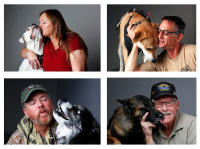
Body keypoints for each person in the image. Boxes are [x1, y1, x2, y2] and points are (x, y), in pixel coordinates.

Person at [20, 9, 87, 71]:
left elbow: (78, 74)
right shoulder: (45, 42)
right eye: (40, 23)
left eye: (43, 23)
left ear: (55, 23)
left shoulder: (72, 40)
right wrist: (29, 53)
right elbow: (23, 51)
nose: (40, 26)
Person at [125, 16, 196, 71]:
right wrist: (136, 40)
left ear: (178, 37)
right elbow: (129, 72)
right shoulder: (158, 63)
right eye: (159, 31)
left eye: (165, 32)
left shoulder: (194, 52)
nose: (159, 36)